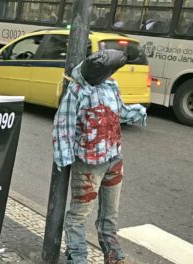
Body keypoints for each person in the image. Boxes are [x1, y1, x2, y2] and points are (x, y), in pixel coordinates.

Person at [52, 50, 147, 264]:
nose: (112, 74)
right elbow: (63, 126)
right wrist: (64, 160)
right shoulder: (77, 91)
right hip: (88, 165)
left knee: (110, 215)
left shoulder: (111, 85)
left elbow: (118, 112)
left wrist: (137, 112)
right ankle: (78, 258)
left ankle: (114, 256)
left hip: (114, 159)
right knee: (79, 215)